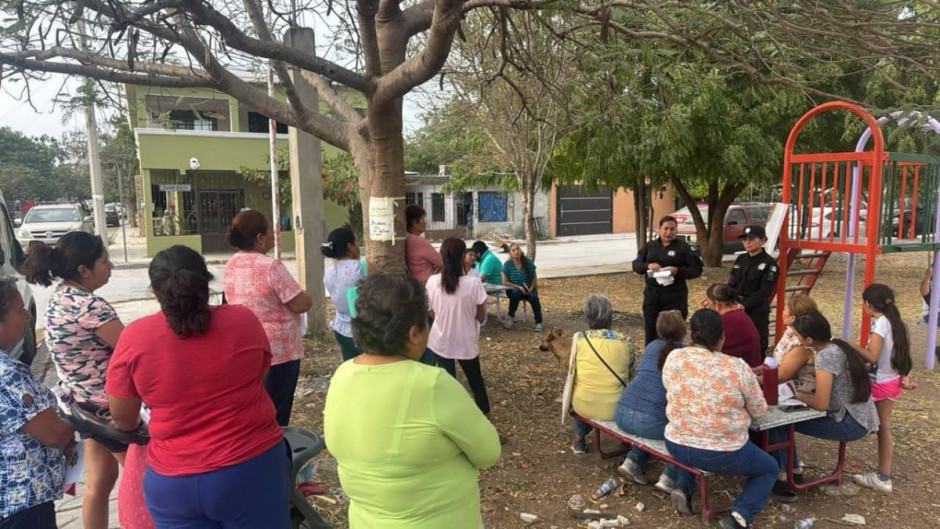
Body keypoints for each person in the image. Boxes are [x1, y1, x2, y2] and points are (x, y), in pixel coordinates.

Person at [106, 245, 289, 529]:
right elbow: (258, 377)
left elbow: (124, 418)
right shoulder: (244, 321)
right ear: (206, 283)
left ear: (155, 291)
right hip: (252, 469)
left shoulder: (135, 338)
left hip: (174, 482)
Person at [323, 273, 501, 528]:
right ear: (414, 334)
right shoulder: (432, 385)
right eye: (427, 322)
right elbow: (488, 453)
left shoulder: (342, 376)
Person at [21, 231, 125, 529]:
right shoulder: (90, 307)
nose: (110, 267)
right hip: (109, 408)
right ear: (84, 270)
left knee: (99, 482)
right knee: (143, 479)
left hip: (81, 405)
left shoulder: (60, 299)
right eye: (105, 261)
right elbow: (132, 350)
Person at [662, 310, 775, 529]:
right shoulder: (737, 367)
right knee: (769, 467)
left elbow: (671, 388)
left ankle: (684, 488)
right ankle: (740, 515)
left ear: (690, 335)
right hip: (723, 452)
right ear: (722, 337)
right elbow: (760, 410)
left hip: (676, 442)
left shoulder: (674, 357)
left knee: (691, 432)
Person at [768, 310, 880, 498]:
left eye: (796, 336)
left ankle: (782, 478)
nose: (794, 339)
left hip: (849, 422)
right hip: (861, 416)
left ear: (809, 340)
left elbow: (821, 403)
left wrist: (796, 394)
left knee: (777, 423)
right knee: (784, 418)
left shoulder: (826, 357)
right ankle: (793, 471)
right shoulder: (838, 344)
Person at [223, 209, 313, 426]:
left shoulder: (231, 264)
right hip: (279, 352)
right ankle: (278, 452)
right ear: (260, 238)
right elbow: (301, 304)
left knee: (255, 406)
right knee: (278, 411)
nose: (275, 235)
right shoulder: (271, 266)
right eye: (271, 231)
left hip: (246, 347)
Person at [0, 278, 76, 529]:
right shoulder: (7, 374)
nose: (27, 315)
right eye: (19, 309)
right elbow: (53, 434)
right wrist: (72, 422)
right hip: (22, 501)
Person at [852, 284, 914, 493]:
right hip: (892, 381)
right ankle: (883, 475)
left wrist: (846, 342)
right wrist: (904, 376)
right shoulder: (895, 323)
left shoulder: (879, 325)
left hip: (879, 383)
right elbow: (902, 354)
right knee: (885, 428)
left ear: (868, 305)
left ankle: (882, 477)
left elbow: (871, 357)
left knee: (877, 425)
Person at [614, 310, 685, 490]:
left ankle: (633, 461)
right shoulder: (683, 354)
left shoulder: (652, 346)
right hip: (650, 421)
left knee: (649, 417)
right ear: (683, 329)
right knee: (685, 431)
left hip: (622, 411)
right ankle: (669, 476)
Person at [427, 238, 490, 414]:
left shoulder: (432, 282)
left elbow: (431, 311)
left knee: (449, 383)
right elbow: (481, 315)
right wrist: (464, 318)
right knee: (476, 381)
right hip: (466, 341)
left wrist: (445, 317)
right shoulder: (473, 283)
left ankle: (453, 415)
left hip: (440, 340)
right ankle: (484, 415)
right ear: (463, 256)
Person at [569, 294, 636, 454]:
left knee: (581, 387)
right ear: (611, 315)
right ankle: (624, 439)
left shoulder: (578, 338)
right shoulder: (625, 340)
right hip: (615, 407)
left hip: (583, 404)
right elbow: (631, 374)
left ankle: (579, 439)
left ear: (586, 316)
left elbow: (573, 371)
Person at [632, 215, 703, 345]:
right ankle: (652, 361)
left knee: (673, 336)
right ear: (659, 230)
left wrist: (678, 271)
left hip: (675, 297)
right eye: (665, 229)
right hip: (652, 296)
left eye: (672, 229)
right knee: (651, 334)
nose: (669, 232)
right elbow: (636, 265)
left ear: (676, 230)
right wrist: (647, 265)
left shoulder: (683, 248)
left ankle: (672, 360)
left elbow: (697, 270)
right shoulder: (649, 246)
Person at [728, 225, 778, 354]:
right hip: (736, 307)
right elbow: (732, 283)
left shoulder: (769, 264)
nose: (747, 242)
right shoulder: (741, 259)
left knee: (757, 344)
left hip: (756, 311)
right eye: (744, 239)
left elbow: (764, 291)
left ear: (763, 240)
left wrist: (744, 305)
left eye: (752, 239)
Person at [322, 227, 366, 361]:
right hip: (365, 330)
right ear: (350, 246)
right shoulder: (362, 267)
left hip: (341, 328)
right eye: (357, 242)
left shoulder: (329, 272)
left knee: (351, 367)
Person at [765, 294, 819, 396]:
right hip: (783, 388)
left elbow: (781, 376)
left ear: (793, 318)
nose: (782, 312)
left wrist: (751, 379)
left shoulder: (802, 344)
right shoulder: (790, 331)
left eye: (785, 309)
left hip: (798, 395)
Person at [700, 283, 762, 367]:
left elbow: (703, 345)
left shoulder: (722, 321)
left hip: (739, 368)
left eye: (708, 302)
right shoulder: (739, 313)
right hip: (749, 363)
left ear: (717, 304)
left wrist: (701, 314)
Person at [500, 243, 544, 331]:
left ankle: (538, 322)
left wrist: (531, 288)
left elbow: (534, 277)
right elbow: (505, 282)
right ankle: (510, 317)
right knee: (516, 292)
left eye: (518, 249)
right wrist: (518, 287)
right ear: (510, 253)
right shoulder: (507, 265)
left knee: (533, 297)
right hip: (513, 289)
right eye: (513, 250)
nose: (516, 252)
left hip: (528, 288)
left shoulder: (528, 262)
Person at [405, 204, 443, 286]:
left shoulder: (406, 238)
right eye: (422, 219)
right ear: (415, 223)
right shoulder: (419, 241)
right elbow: (441, 262)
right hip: (426, 284)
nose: (425, 222)